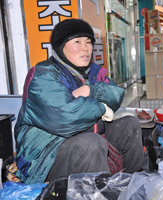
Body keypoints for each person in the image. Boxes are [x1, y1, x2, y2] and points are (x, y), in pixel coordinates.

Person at [13, 19, 144, 184]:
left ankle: (131, 184)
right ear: (61, 46)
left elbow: (116, 94)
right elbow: (66, 118)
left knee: (129, 124)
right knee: (91, 143)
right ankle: (101, 194)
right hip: (45, 157)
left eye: (88, 42)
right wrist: (102, 108)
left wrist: (92, 90)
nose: (85, 48)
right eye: (77, 42)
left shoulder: (93, 72)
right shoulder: (43, 75)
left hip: (83, 140)